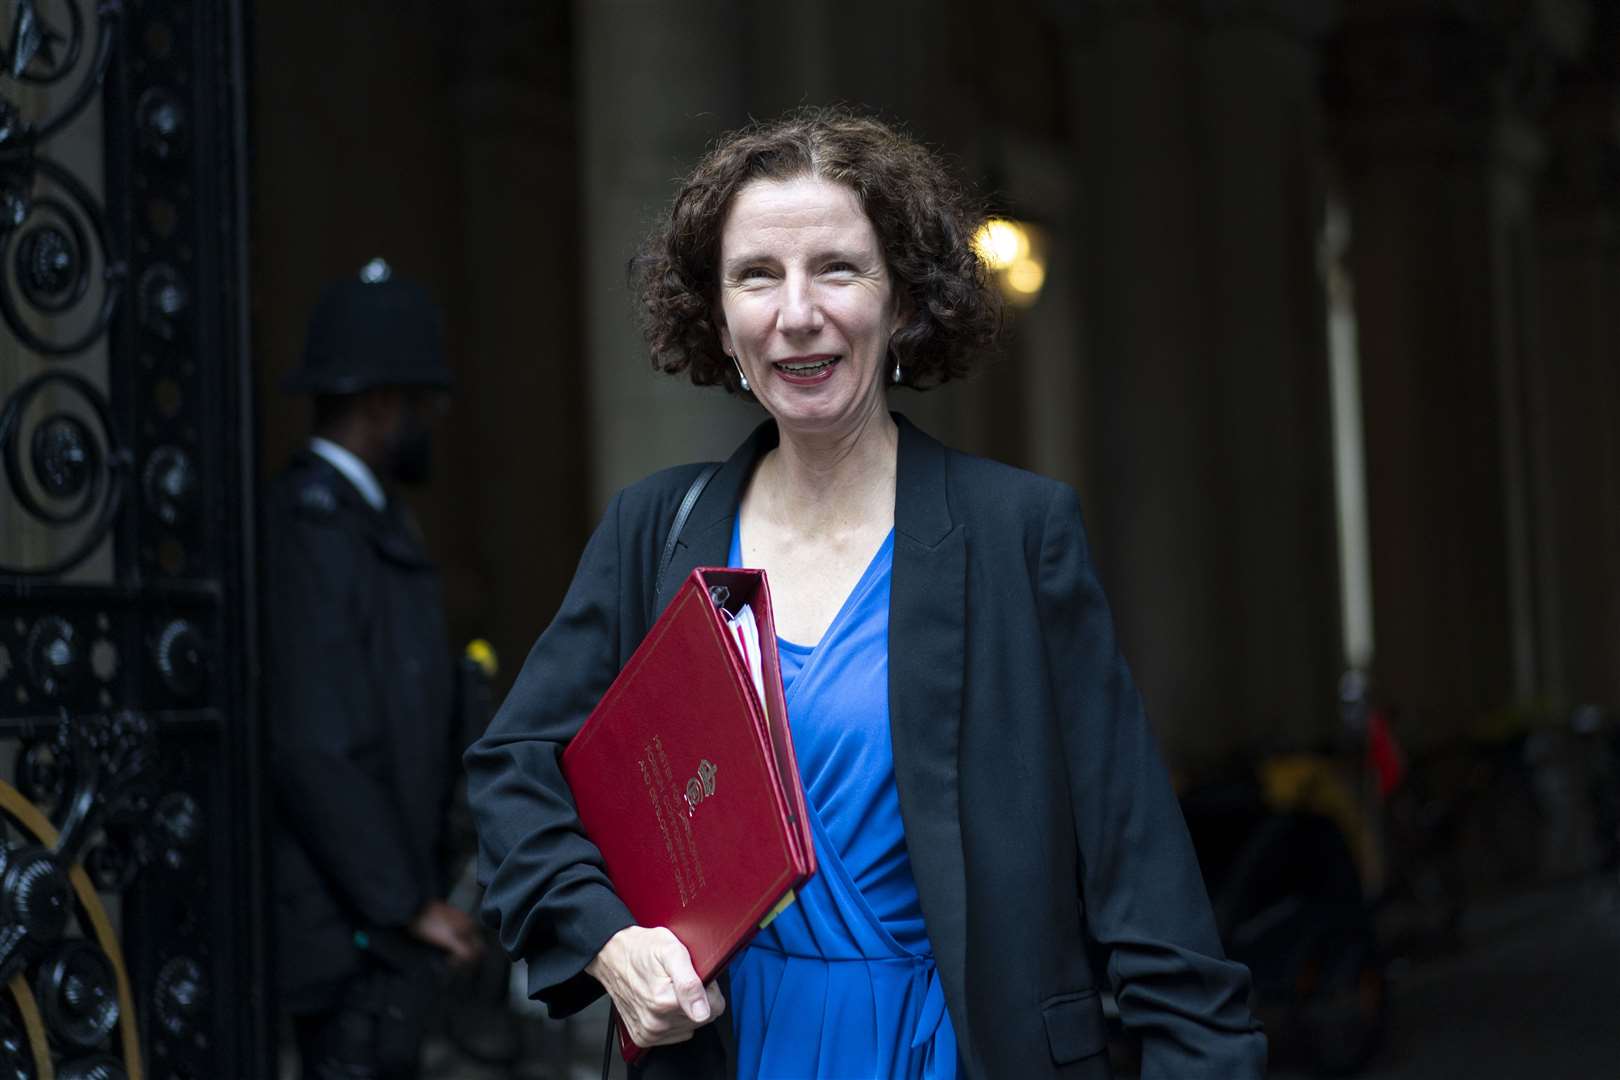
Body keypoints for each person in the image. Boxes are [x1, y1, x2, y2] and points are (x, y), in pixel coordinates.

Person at [465, 110, 1265, 1078]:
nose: (797, 312)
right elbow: (517, 772)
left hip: (956, 1049)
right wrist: (608, 940)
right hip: (733, 1049)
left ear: (906, 302)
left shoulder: (1016, 533)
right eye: (758, 275)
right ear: (719, 319)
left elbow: (1137, 865)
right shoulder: (656, 532)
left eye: (838, 269)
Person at [266, 259, 483, 1080]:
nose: (429, 425)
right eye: (424, 405)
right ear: (383, 403)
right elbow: (316, 743)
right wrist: (402, 904)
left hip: (378, 928)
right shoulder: (312, 530)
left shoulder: (369, 521)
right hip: (345, 931)